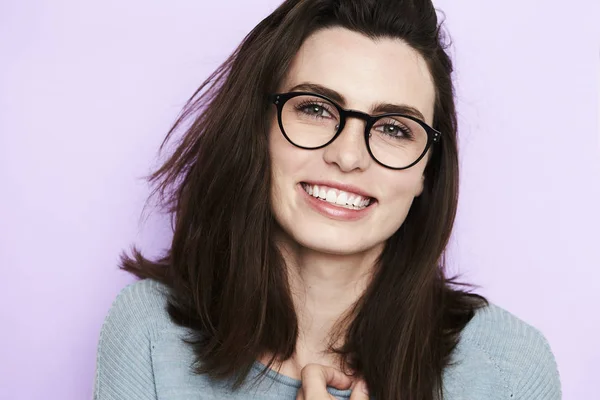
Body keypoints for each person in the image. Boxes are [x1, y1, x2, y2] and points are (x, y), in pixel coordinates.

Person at [93, 0, 562, 399]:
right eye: (315, 109)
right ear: (258, 130)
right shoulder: (150, 333)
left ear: (428, 170)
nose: (348, 155)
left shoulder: (509, 371)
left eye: (395, 128)